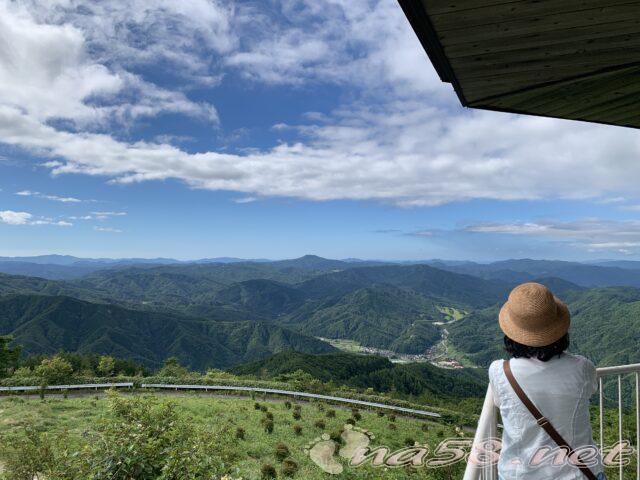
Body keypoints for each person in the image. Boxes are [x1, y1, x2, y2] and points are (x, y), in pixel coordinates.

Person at [489, 282, 606, 479]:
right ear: (559, 329)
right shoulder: (583, 368)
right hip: (580, 473)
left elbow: (499, 403)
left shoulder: (500, 371)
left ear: (511, 333)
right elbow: (590, 390)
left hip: (520, 473)